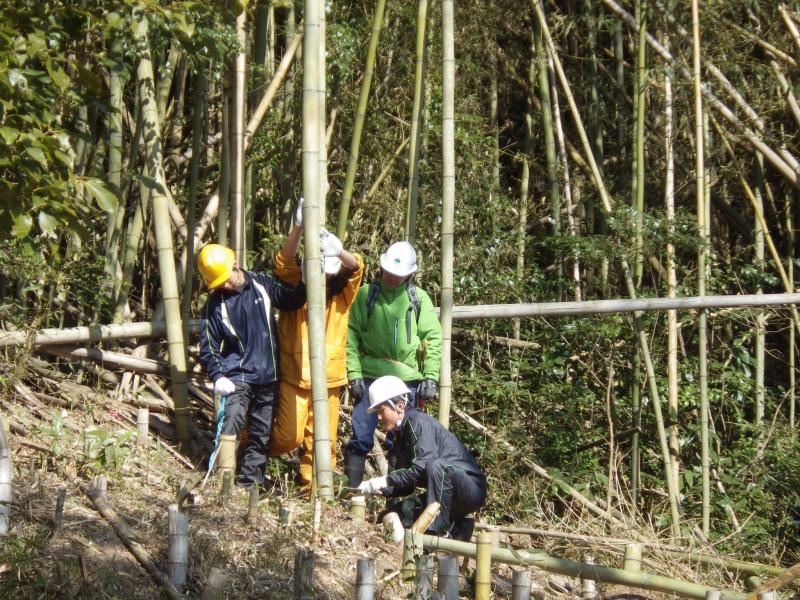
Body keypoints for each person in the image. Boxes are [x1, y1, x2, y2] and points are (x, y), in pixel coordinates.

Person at [270, 201, 364, 486]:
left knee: (323, 446)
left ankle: (313, 496)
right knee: (288, 437)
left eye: (332, 270)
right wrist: (298, 228)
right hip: (295, 374)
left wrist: (339, 251)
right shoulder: (295, 288)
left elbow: (357, 267)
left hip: (329, 378)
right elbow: (282, 263)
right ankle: (246, 445)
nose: (327, 276)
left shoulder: (342, 295)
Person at [198, 243, 306, 489]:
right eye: (218, 283)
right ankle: (221, 480)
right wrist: (218, 375)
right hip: (237, 375)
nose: (224, 285)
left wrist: (308, 279)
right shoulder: (215, 304)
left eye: (225, 279)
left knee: (261, 433)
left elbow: (291, 300)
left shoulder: (261, 283)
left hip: (269, 375)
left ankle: (249, 484)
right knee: (231, 422)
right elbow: (209, 344)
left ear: (235, 265)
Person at [344, 241, 442, 488]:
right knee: (361, 436)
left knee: (401, 440)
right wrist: (354, 373)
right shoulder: (367, 294)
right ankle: (351, 494)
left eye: (398, 274)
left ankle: (395, 498)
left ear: (410, 273)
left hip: (406, 380)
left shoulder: (418, 299)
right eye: (388, 270)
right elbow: (351, 335)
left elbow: (433, 337)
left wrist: (430, 376)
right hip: (369, 377)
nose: (391, 276)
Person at [356, 375, 487, 540]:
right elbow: (405, 487)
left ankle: (437, 534)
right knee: (392, 515)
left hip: (470, 489)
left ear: (399, 405)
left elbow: (422, 467)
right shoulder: (399, 438)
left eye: (381, 410)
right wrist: (371, 488)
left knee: (436, 465)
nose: (379, 417)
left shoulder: (419, 423)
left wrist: (385, 481)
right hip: (443, 495)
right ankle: (460, 527)